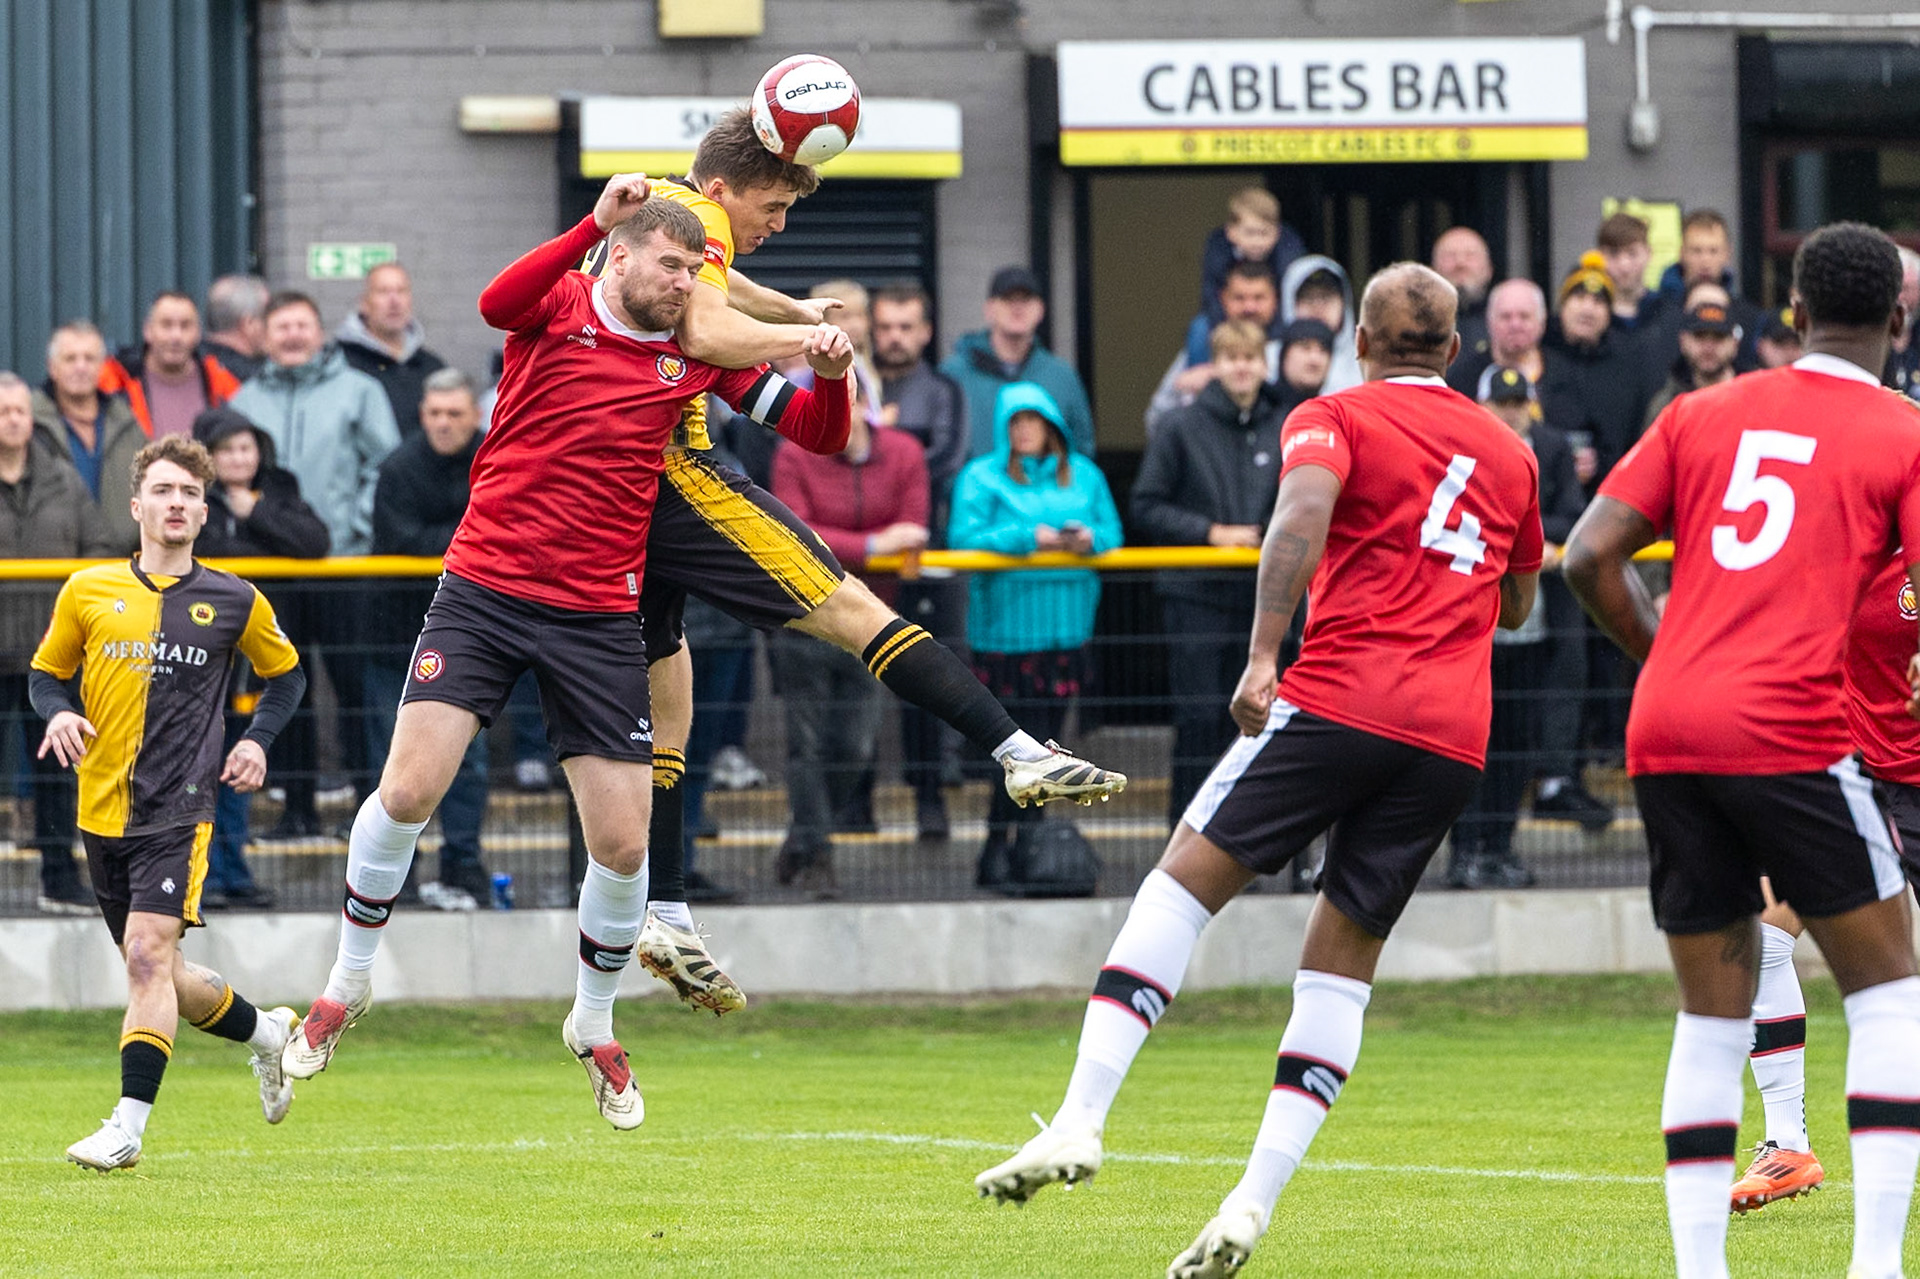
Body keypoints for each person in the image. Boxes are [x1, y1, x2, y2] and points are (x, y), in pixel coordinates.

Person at [975, 264, 1542, 1279]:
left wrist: (1262, 653)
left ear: (1360, 342)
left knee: (1177, 889)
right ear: (1457, 352)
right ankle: (1250, 1200)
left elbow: (1296, 522)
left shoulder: (1333, 415)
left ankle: (1079, 1119)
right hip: (1452, 738)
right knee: (1339, 969)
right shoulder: (1511, 451)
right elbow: (1519, 607)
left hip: (1337, 700)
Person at [278, 177, 855, 1129]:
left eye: (695, 270)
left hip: (594, 615)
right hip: (486, 590)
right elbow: (492, 301)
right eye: (670, 264)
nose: (684, 283)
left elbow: (816, 434)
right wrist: (590, 218)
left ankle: (592, 1024)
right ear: (620, 256)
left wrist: (828, 364)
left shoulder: (697, 350)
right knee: (411, 788)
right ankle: (347, 982)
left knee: (624, 843)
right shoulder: (559, 303)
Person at [586, 113, 1127, 1017]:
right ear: (721, 194)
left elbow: (751, 342)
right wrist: (805, 341)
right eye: (773, 205)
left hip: (610, 495)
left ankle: (666, 910)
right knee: (847, 605)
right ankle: (1015, 748)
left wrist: (804, 327)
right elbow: (712, 327)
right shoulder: (695, 226)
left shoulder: (665, 230)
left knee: (663, 684)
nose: (779, 226)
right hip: (671, 476)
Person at [1562, 221, 1920, 1279]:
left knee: (1709, 1012)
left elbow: (1589, 553)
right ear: (1899, 321)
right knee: (1890, 988)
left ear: (1792, 319)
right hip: (1800, 730)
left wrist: (1664, 652)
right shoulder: (1903, 429)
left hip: (1669, 729)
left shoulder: (1699, 410)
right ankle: (1871, 1266)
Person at [30, 435, 308, 1171]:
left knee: (148, 957)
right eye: (162, 490)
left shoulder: (234, 597)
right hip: (101, 810)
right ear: (137, 504)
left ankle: (126, 1126)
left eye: (188, 492)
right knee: (161, 971)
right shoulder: (86, 590)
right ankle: (271, 1036)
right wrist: (58, 712)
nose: (175, 503)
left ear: (204, 510)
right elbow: (45, 674)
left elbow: (287, 676)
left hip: (182, 807)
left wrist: (257, 741)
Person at [230, 291, 402, 831]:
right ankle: (297, 808)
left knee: (355, 693)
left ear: (319, 330)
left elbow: (384, 467)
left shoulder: (359, 391)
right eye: (282, 327)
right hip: (275, 573)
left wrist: (356, 530)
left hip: (345, 569)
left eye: (302, 325)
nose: (293, 336)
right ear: (263, 334)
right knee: (288, 690)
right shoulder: (245, 400)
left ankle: (367, 809)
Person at [949, 381, 1122, 890]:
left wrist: (1088, 539)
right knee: (1008, 752)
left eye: (1034, 419)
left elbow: (1113, 533)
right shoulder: (981, 477)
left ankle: (1030, 849)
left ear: (1052, 425)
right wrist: (1030, 539)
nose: (1025, 430)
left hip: (1065, 635)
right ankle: (995, 849)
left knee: (1051, 752)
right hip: (1004, 638)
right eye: (1015, 421)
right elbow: (962, 537)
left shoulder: (1085, 476)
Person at [769, 362, 930, 892]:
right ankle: (817, 855)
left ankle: (801, 838)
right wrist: (872, 546)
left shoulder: (904, 453)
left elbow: (916, 527)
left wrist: (861, 545)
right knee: (806, 744)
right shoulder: (793, 454)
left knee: (856, 746)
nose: (829, 420)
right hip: (804, 619)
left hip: (871, 622)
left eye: (840, 405)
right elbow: (796, 532)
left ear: (865, 406)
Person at [1131, 319, 1287, 826]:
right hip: (1196, 597)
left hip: (1265, 600)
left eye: (1251, 357)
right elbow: (1146, 504)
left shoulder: (1285, 423)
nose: (1242, 367)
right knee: (1199, 720)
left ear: (1265, 363)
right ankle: (1187, 833)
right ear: (1214, 366)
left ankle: (1247, 836)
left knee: (1261, 723)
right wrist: (1209, 532)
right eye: (1232, 357)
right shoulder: (1181, 425)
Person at [1445, 367, 1582, 890]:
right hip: (1474, 622)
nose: (1509, 412)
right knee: (1469, 747)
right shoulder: (1462, 449)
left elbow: (1573, 513)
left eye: (1516, 403)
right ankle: (1466, 852)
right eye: (1499, 403)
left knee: (1516, 743)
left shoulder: (1548, 449)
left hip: (1529, 620)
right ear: (1480, 406)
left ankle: (1499, 847)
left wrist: (1537, 541)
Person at [191, 405, 331, 911]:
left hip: (267, 653)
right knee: (204, 764)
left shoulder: (280, 489)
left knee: (242, 761)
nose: (237, 458)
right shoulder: (193, 497)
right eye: (226, 449)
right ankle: (204, 880)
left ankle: (235, 872)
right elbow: (197, 554)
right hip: (206, 654)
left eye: (245, 447)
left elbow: (315, 543)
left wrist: (257, 515)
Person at [365, 369, 494, 910]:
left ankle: (464, 862)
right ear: (422, 415)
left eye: (455, 414)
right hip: (395, 635)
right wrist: (468, 537)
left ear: (473, 415)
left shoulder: (495, 455)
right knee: (390, 761)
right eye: (435, 413)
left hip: (473, 636)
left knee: (470, 760)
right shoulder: (398, 468)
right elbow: (399, 539)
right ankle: (397, 875)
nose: (444, 423)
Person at [0, 371, 114, 914]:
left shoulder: (63, 480)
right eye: (3, 411)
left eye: (20, 410)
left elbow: (95, 547)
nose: (13, 419)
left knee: (55, 772)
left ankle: (58, 878)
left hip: (50, 656)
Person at [872, 281, 970, 839]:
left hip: (927, 554)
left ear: (926, 331)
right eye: (886, 327)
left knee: (930, 678)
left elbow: (945, 459)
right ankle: (854, 805)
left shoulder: (944, 391)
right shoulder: (856, 381)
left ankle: (931, 798)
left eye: (906, 327)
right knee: (859, 683)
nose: (895, 338)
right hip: (864, 557)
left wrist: (888, 466)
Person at [943, 265, 1096, 458]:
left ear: (1040, 310)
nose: (1017, 307)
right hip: (974, 487)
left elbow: (1082, 449)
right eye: (1007, 299)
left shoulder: (1062, 377)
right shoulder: (955, 374)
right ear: (989, 309)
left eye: (1026, 299)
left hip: (1047, 487)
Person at [32, 321, 144, 552]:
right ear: (52, 367)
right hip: (51, 570)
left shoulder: (129, 423)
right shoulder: (28, 424)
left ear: (102, 366)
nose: (81, 367)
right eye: (71, 359)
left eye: (90, 358)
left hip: (122, 566)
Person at [1147, 262, 1280, 435]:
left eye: (1259, 298)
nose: (1249, 307)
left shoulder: (1293, 346)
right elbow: (1155, 418)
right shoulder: (1202, 343)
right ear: (1223, 298)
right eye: (1239, 298)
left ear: (1275, 299)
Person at [98, 293, 242, 440]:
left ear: (198, 333)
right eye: (166, 325)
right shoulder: (115, 380)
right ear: (147, 330)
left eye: (185, 326)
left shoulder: (223, 383)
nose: (176, 336)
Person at [336, 262, 449, 439]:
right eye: (383, 291)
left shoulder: (431, 367)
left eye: (401, 291)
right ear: (364, 303)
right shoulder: (340, 363)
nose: (394, 301)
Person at [1198, 187, 1305, 329]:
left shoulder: (1289, 249)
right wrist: (1229, 333)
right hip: (1230, 324)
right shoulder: (1217, 248)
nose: (1257, 241)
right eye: (1250, 233)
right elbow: (1211, 297)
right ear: (1231, 232)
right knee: (1200, 327)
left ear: (1278, 232)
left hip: (1278, 322)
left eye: (1264, 233)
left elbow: (1291, 300)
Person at [1642, 302, 1743, 427]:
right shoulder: (1666, 406)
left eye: (1719, 337)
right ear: (1683, 341)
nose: (1708, 347)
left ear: (1735, 344)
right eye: (1699, 336)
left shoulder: (1754, 399)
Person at [1278, 255, 1361, 392]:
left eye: (1326, 297)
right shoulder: (1266, 362)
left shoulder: (1367, 363)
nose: (1318, 307)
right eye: (1308, 298)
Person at [1597, 211, 1665, 340]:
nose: (1624, 265)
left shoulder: (1666, 312)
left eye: (1632, 253)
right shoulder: (1590, 314)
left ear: (1649, 254)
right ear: (1600, 256)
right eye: (1613, 254)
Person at [1431, 226, 1494, 360]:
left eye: (1470, 255)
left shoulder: (1505, 319)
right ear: (1433, 270)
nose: (1460, 263)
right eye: (1450, 256)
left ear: (1489, 270)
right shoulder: (1419, 321)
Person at [203, 275, 271, 383]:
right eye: (269, 318)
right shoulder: (258, 382)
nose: (273, 327)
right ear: (249, 324)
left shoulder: (190, 368)